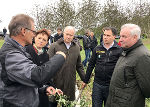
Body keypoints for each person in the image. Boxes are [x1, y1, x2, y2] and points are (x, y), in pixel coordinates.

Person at [0, 14, 66, 107]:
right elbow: (38, 76)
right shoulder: (11, 55)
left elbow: (25, 80)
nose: (34, 34)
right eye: (33, 31)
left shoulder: (19, 50)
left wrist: (44, 88)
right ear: (23, 31)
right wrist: (60, 56)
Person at [105, 24, 150, 107]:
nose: (120, 40)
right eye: (120, 36)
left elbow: (148, 89)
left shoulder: (142, 56)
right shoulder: (126, 51)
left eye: (124, 37)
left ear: (135, 37)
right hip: (114, 102)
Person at [82, 27, 122, 107]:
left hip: (111, 86)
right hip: (97, 85)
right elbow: (91, 65)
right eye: (104, 35)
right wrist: (85, 80)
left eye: (108, 35)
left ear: (114, 37)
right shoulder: (97, 48)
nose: (105, 37)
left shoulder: (119, 50)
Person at [48, 26, 85, 106]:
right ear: (63, 34)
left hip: (69, 81)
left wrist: (85, 79)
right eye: (67, 34)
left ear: (74, 36)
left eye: (71, 35)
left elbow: (79, 65)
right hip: (56, 81)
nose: (68, 37)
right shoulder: (54, 46)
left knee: (67, 103)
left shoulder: (76, 48)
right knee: (53, 103)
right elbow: (48, 64)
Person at [25, 29, 63, 107]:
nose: (41, 41)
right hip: (29, 92)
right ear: (34, 38)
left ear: (46, 42)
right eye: (39, 38)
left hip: (43, 92)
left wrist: (54, 89)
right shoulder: (27, 51)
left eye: (44, 40)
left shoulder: (46, 55)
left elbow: (48, 75)